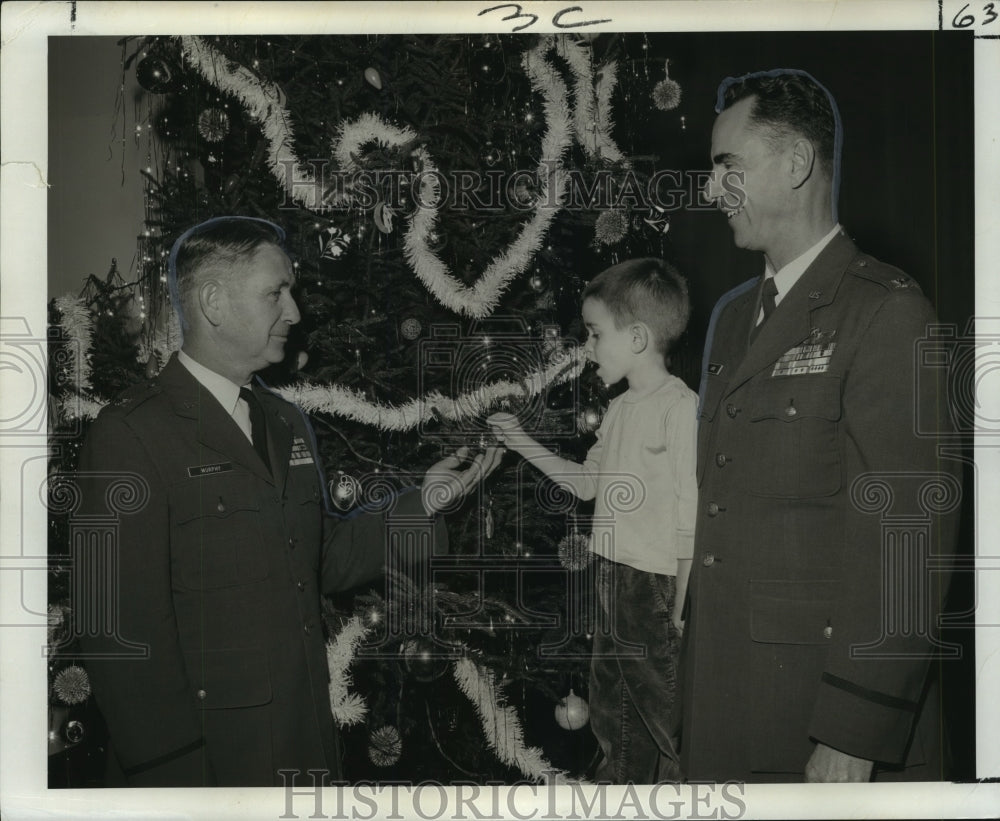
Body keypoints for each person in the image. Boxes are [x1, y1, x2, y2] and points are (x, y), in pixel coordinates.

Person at [71, 216, 502, 787]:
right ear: (214, 302)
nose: (295, 312)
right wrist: (174, 777)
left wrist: (427, 501)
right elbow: (115, 631)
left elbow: (317, 556)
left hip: (301, 744)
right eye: (276, 293)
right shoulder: (130, 433)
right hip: (208, 764)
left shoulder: (284, 420)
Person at [679, 70, 961, 782]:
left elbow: (908, 534)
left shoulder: (886, 310)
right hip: (727, 700)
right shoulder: (734, 315)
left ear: (797, 163)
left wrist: (854, 725)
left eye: (728, 167)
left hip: (820, 719)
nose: (713, 191)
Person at [489, 258, 698, 783]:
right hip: (608, 576)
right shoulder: (620, 408)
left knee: (666, 719)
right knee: (612, 718)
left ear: (637, 337)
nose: (587, 348)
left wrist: (683, 602)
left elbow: (692, 512)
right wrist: (516, 438)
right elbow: (585, 482)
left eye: (595, 333)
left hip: (654, 586)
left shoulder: (681, 409)